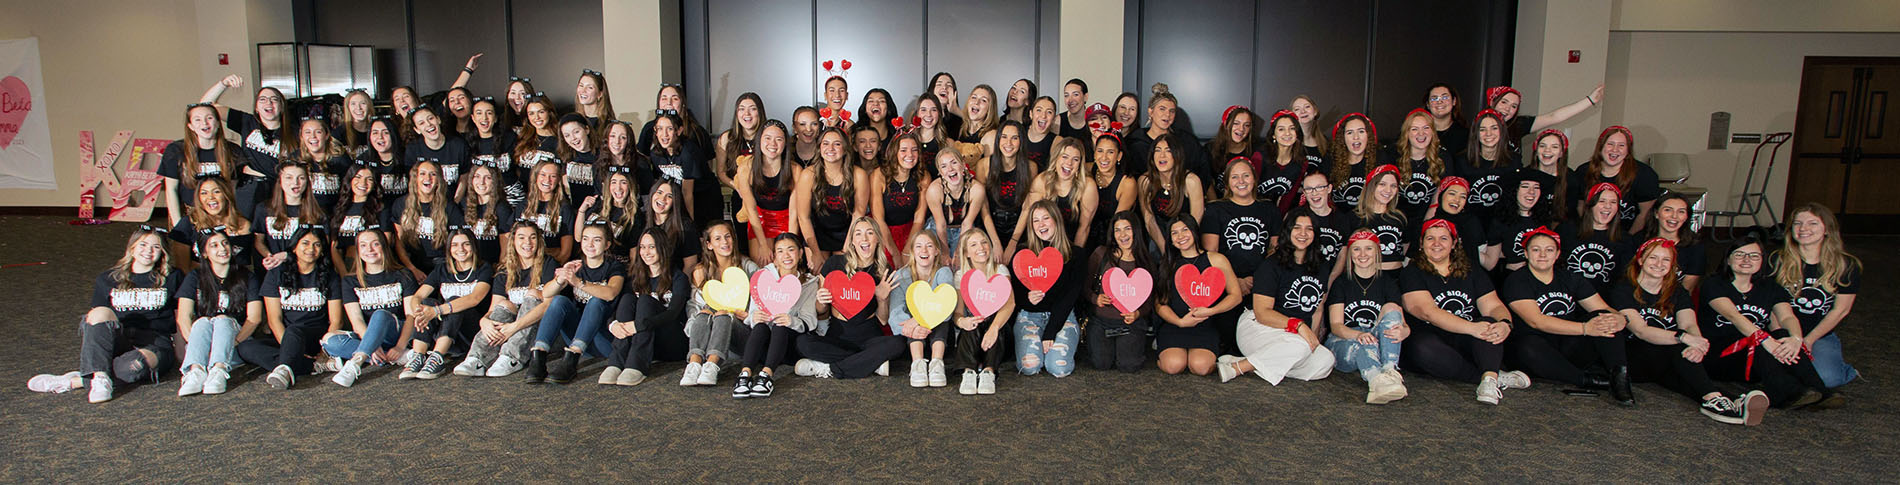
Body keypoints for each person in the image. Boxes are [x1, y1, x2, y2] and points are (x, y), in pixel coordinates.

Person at [1608, 238, 1763, 424]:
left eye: (1666, 260)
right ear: (1640, 260)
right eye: (1653, 258)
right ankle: (1716, 398)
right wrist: (1684, 338)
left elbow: (1689, 324)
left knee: (1685, 374)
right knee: (1678, 350)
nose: (1659, 264)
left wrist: (1696, 345)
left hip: (1665, 359)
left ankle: (1722, 401)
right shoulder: (1623, 288)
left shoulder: (1677, 291)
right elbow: (1641, 331)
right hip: (1634, 356)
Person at [30, 226, 183, 402]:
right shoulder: (108, 278)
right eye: (143, 244)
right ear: (132, 247)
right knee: (98, 313)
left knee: (134, 367)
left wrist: (181, 355)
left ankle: (77, 380)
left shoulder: (173, 277)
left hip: (154, 342)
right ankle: (100, 376)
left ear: (162, 253)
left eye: (156, 247)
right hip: (119, 338)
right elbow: (97, 324)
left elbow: (179, 315)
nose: (148, 251)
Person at [1701, 232, 1841, 414]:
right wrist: (1766, 340)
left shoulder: (1771, 288)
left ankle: (1820, 390)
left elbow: (1787, 317)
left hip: (1756, 356)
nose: (1746, 260)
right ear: (1728, 260)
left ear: (1761, 261)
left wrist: (1796, 339)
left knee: (1783, 335)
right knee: (1759, 339)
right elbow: (1734, 316)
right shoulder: (1714, 284)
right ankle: (1786, 393)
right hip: (1719, 356)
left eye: (1754, 256)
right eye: (1739, 255)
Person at [1399, 219, 1528, 404]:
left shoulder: (1471, 269)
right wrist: (1472, 328)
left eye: (1443, 238)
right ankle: (1491, 377)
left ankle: (1489, 379)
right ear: (1421, 244)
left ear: (1454, 243)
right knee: (1423, 348)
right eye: (1430, 239)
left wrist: (1505, 324)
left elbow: (1493, 306)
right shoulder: (1412, 272)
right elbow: (1428, 313)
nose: (1436, 244)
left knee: (1490, 322)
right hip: (1431, 338)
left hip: (1464, 337)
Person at [1500, 227, 1633, 404]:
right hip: (1535, 347)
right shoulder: (1516, 281)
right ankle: (1585, 380)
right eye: (1536, 249)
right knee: (1528, 346)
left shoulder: (1571, 278)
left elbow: (1603, 308)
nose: (1542, 255)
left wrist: (1621, 319)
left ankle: (1620, 378)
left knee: (1604, 317)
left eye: (1549, 250)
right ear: (1525, 253)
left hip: (1568, 343)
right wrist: (1586, 328)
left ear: (1557, 254)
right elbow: (1537, 321)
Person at [1221, 208, 1336, 384]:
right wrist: (1299, 327)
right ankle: (1236, 368)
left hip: (1293, 335)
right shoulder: (1271, 265)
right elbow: (1262, 313)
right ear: (1287, 231)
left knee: (1325, 361)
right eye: (1297, 228)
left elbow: (1318, 309)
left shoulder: (1322, 267)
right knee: (1300, 346)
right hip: (1259, 326)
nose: (1303, 234)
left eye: (1309, 229)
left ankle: (1256, 363)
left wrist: (1312, 338)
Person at [794, 217, 903, 380]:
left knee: (898, 344)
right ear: (852, 240)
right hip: (838, 336)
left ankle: (830, 368)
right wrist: (821, 302)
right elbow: (821, 312)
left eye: (869, 233)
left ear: (877, 239)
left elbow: (883, 320)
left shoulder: (883, 269)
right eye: (858, 234)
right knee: (802, 343)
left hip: (869, 336)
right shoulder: (834, 264)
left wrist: (881, 298)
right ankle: (868, 362)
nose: (864, 239)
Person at [238, 226, 344, 390]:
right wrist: (289, 349)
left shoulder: (329, 276)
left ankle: (284, 368)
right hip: (287, 337)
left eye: (317, 245)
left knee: (294, 330)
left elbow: (336, 320)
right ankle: (311, 365)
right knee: (245, 347)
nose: (311, 249)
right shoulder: (276, 274)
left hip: (316, 336)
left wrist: (325, 349)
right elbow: (274, 320)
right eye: (306, 243)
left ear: (322, 250)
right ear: (294, 247)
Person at [1772, 203, 1862, 388]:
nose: (1803, 228)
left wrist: (1807, 341)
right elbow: (1769, 305)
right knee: (1774, 376)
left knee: (1828, 380)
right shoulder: (1776, 260)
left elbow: (1840, 310)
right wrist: (1784, 337)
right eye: (1798, 223)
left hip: (1819, 334)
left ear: (1827, 229)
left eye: (1812, 223)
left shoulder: (1846, 265)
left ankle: (1842, 369)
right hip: (1779, 330)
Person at [525, 223, 626, 384]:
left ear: (607, 245)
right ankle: (539, 356)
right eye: (585, 239)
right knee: (558, 300)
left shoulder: (614, 267)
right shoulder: (576, 267)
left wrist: (578, 283)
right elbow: (546, 294)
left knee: (596, 301)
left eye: (597, 240)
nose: (590, 244)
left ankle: (572, 359)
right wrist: (562, 276)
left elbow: (611, 293)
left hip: (602, 339)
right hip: (576, 334)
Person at [453, 222, 556, 377]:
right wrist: (484, 321)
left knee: (533, 295)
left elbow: (548, 305)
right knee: (504, 305)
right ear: (513, 241)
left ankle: (512, 357)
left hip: (543, 330)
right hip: (512, 331)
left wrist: (514, 327)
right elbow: (494, 308)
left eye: (532, 237)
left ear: (539, 241)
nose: (527, 243)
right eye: (521, 237)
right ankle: (477, 358)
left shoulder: (549, 264)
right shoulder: (504, 270)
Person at [1323, 230, 1410, 404]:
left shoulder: (1387, 282)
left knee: (1392, 308)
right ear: (1350, 253)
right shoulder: (1342, 282)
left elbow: (1403, 323)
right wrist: (1358, 335)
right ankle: (1376, 380)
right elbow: (1336, 326)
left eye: (1368, 249)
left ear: (1377, 251)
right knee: (1364, 344)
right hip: (1345, 341)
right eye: (1356, 249)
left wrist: (1404, 332)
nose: (1363, 254)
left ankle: (1389, 371)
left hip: (1374, 339)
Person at [172, 230, 262, 396]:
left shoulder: (247, 276)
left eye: (225, 243)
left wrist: (230, 342)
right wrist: (201, 346)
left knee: (222, 320)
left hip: (235, 341)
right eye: (214, 245)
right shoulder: (195, 277)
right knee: (202, 321)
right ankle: (196, 371)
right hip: (204, 343)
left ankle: (219, 370)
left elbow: (254, 318)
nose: (222, 248)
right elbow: (183, 317)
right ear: (205, 253)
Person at [324, 229, 420, 387]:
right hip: (369, 335)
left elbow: (411, 316)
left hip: (396, 331)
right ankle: (395, 357)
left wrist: (400, 345)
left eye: (375, 244)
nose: (369, 250)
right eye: (363, 245)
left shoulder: (403, 275)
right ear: (358, 250)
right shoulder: (350, 281)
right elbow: (357, 321)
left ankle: (356, 362)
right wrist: (371, 346)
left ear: (384, 247)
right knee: (329, 341)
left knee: (380, 314)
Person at [733, 234, 823, 399]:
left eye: (791, 250)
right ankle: (744, 375)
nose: (786, 256)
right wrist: (754, 316)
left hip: (788, 344)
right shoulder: (763, 277)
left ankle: (766, 377)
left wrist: (792, 320)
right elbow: (751, 314)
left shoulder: (809, 283)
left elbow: (810, 321)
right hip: (763, 344)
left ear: (800, 253)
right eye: (780, 251)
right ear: (774, 256)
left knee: (781, 326)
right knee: (760, 326)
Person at [1155, 214, 1245, 376]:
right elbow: (1160, 304)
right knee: (1173, 366)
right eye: (1174, 233)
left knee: (1201, 368)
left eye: (1185, 230)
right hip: (1175, 325)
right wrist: (1180, 322)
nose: (1180, 236)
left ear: (1194, 231)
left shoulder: (1217, 260)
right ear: (1170, 239)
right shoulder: (1167, 263)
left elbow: (1236, 296)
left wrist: (1211, 311)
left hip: (1205, 326)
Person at [601, 228, 690, 386]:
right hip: (644, 341)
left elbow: (673, 313)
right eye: (642, 247)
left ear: (662, 248)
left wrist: (639, 325)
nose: (645, 252)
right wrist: (612, 324)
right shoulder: (636, 278)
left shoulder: (678, 277)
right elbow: (619, 309)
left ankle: (637, 365)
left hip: (672, 343)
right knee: (628, 299)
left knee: (645, 301)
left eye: (651, 247)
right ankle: (616, 362)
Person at [401, 228, 492, 380]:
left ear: (474, 246)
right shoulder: (442, 269)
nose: (460, 249)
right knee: (426, 302)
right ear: (449, 249)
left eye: (466, 244)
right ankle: (418, 357)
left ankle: (437, 357)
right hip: (449, 332)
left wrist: (436, 311)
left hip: (473, 332)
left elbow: (474, 298)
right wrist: (419, 311)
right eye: (455, 245)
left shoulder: (484, 268)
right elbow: (417, 296)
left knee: (455, 301)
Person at [1011, 200, 1088, 378]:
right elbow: (1015, 294)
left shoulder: (1076, 254)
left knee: (1057, 368)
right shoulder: (1023, 253)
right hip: (1029, 316)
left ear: (1057, 220)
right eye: (1035, 220)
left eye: (1046, 218)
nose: (1041, 224)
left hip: (1062, 317)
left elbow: (1070, 297)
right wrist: (1028, 298)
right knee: (1030, 367)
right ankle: (1040, 351)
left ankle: (1052, 350)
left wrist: (1051, 331)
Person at [681, 221, 759, 386]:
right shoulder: (701, 271)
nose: (724, 242)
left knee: (722, 313)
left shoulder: (749, 267)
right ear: (709, 245)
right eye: (718, 239)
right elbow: (694, 306)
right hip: (709, 336)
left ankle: (712, 365)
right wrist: (694, 326)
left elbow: (761, 303)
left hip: (742, 333)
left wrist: (747, 315)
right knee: (705, 310)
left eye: (727, 236)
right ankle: (694, 363)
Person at [1084, 212, 1154, 373]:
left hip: (1131, 323)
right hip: (1101, 321)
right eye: (1117, 230)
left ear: (1135, 230)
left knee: (1129, 365)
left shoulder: (1145, 261)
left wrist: (1138, 313)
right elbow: (1084, 286)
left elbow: (1150, 300)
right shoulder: (1101, 254)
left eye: (1127, 229)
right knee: (1101, 363)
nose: (1122, 235)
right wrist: (1096, 299)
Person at [887, 231, 956, 388]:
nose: (924, 251)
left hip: (941, 336)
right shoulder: (902, 276)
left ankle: (937, 364)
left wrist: (918, 319)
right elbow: (895, 313)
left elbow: (947, 306)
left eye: (929, 246)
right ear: (912, 251)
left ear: (937, 251)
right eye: (919, 246)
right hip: (913, 338)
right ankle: (917, 364)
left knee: (939, 315)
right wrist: (913, 325)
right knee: (911, 315)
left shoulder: (943, 272)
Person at [951, 228, 1015, 393]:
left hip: (999, 331)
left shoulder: (1000, 270)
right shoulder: (961, 276)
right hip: (974, 335)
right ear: (966, 253)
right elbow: (957, 313)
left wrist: (994, 328)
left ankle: (989, 372)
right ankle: (968, 372)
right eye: (974, 244)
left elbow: (1010, 304)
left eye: (984, 242)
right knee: (972, 322)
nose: (981, 247)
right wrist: (961, 321)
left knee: (991, 323)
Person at [158, 103, 239, 228]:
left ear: (218, 123)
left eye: (209, 118)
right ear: (190, 126)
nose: (204, 123)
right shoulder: (175, 150)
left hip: (222, 216)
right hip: (189, 215)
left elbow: (234, 189)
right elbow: (171, 190)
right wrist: (178, 224)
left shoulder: (233, 151)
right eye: (198, 119)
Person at [1566, 126, 1660, 232]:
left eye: (1621, 145)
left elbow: (1646, 214)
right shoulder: (1584, 171)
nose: (1615, 149)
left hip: (1628, 235)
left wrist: (1628, 241)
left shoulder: (1644, 175)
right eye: (1610, 144)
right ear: (1600, 147)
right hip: (1591, 232)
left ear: (1628, 150)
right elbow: (1580, 206)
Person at [1485, 84, 1605, 155]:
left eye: (1514, 106)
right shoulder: (1478, 126)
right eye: (1504, 102)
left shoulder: (1519, 124)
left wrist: (1590, 101)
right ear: (1492, 102)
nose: (1507, 108)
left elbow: (1554, 117)